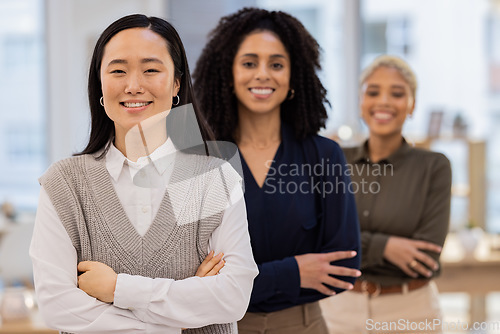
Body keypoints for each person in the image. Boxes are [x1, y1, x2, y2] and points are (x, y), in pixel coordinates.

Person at [30, 14, 258, 334]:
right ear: (100, 83)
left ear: (176, 83)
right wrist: (177, 314)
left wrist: (117, 290)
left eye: (151, 69)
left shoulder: (213, 178)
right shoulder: (65, 184)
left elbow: (232, 297)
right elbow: (57, 306)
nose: (133, 85)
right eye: (118, 70)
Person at [193, 8, 361, 334]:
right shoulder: (197, 157)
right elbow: (186, 275)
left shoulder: (324, 155)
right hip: (219, 327)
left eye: (277, 64)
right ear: (228, 74)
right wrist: (293, 272)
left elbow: (344, 267)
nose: (263, 74)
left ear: (293, 77)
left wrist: (235, 280)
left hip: (303, 325)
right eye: (249, 63)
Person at [319, 55, 452, 334]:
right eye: (373, 91)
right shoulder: (335, 160)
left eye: (397, 93)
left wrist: (354, 244)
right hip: (339, 309)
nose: (384, 102)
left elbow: (426, 255)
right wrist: (386, 247)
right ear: (360, 102)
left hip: (411, 312)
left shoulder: (434, 166)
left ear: (412, 104)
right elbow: (319, 239)